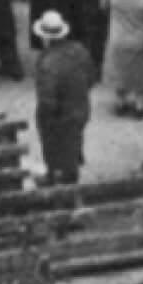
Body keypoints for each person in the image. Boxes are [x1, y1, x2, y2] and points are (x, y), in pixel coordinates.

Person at [31, 11, 94, 186]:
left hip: (58, 116)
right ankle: (71, 171)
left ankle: (57, 178)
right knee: (74, 142)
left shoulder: (46, 63)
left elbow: (47, 100)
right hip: (80, 108)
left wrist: (43, 118)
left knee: (53, 148)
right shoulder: (80, 51)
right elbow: (90, 77)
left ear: (45, 38)